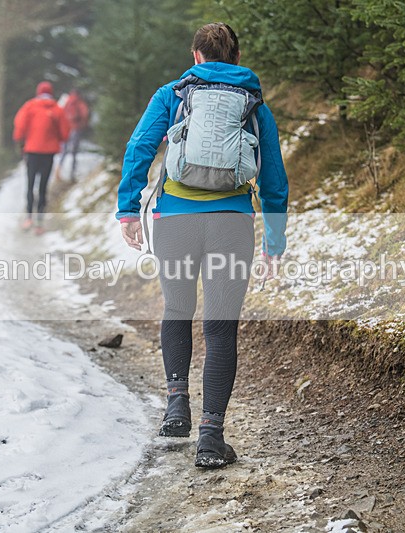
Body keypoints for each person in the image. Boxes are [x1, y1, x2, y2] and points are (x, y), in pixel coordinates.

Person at [116, 23, 288, 468]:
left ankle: (177, 406)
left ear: (196, 56)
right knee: (220, 326)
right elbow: (273, 180)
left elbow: (139, 148)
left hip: (175, 220)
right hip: (232, 222)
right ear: (235, 58)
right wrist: (274, 242)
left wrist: (128, 210)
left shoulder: (172, 95)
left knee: (177, 309)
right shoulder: (254, 103)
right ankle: (211, 438)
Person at [13, 81, 70, 233]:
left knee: (30, 184)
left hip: (31, 151)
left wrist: (19, 139)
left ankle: (28, 218)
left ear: (38, 92)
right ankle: (39, 223)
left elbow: (20, 126)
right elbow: (65, 133)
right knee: (43, 186)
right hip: (48, 153)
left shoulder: (29, 106)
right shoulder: (57, 109)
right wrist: (56, 139)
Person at [56, 89, 90, 182]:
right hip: (76, 128)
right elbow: (85, 113)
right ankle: (72, 173)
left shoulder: (66, 101)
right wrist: (83, 124)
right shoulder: (79, 102)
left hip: (67, 129)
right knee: (74, 152)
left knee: (64, 151)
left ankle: (58, 170)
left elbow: (59, 114)